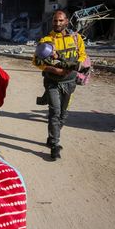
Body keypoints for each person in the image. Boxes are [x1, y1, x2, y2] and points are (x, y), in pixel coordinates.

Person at [33, 10, 87, 160]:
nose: (57, 23)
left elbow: (82, 55)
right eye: (55, 21)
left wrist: (78, 65)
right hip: (52, 83)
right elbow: (36, 62)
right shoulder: (46, 40)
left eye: (60, 21)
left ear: (66, 22)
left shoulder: (76, 39)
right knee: (55, 113)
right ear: (52, 22)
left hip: (70, 83)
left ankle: (51, 137)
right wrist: (54, 69)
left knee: (63, 115)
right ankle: (55, 145)